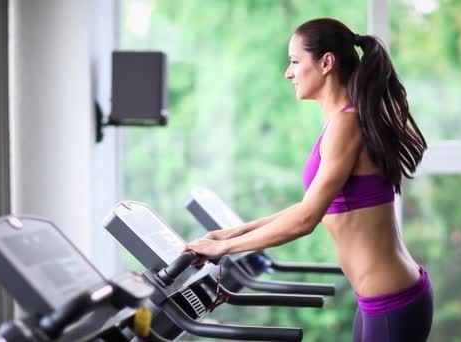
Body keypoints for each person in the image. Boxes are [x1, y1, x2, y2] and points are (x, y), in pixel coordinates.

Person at [184, 18, 433, 341]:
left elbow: (305, 220)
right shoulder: (340, 122)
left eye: (295, 61)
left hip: (392, 301)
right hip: (376, 300)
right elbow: (306, 207)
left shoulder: (347, 124)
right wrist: (228, 235)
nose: (288, 73)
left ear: (326, 62)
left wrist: (226, 247)